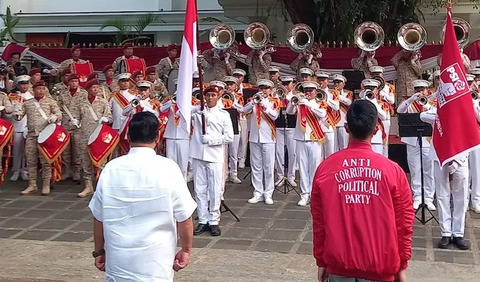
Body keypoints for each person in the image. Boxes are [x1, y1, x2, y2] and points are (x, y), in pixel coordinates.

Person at [311, 100, 414, 282]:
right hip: (380, 265)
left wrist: (321, 260)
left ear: (346, 127)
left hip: (339, 265)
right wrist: (402, 264)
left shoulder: (326, 168)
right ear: (376, 130)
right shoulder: (393, 171)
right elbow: (404, 223)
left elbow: (319, 223)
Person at [89, 112, 197, 282]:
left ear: (128, 136)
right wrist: (186, 249)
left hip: (119, 260)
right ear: (158, 136)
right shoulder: (168, 168)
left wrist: (99, 251)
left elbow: (98, 217)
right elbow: (185, 218)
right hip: (156, 262)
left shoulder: (111, 168)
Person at [420, 106, 470, 250]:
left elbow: (468, 138)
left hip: (461, 159)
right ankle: (446, 232)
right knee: (442, 196)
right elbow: (422, 116)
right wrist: (442, 112)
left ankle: (458, 233)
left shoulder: (465, 112)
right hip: (439, 158)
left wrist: (457, 160)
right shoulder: (438, 114)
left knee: (461, 197)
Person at [190, 86, 233, 236]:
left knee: (214, 189)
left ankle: (214, 220)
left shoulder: (223, 115)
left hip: (214, 155)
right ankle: (202, 219)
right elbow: (180, 111)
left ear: (218, 96)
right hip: (198, 154)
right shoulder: (197, 112)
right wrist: (196, 108)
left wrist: (212, 140)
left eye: (213, 95)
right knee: (199, 189)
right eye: (207, 95)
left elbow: (229, 137)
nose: (209, 98)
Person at [14, 81, 62, 196]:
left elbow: (59, 114)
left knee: (46, 162)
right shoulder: (28, 103)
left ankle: (46, 185)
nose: (41, 90)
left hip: (45, 136)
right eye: (39, 88)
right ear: (34, 89)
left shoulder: (50, 102)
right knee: (31, 161)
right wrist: (16, 112)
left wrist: (55, 116)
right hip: (31, 135)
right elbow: (20, 116)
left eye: (43, 88)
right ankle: (32, 185)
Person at [397, 80, 436, 211]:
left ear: (427, 90)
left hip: (428, 140)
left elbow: (437, 114)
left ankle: (429, 198)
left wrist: (427, 104)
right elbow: (399, 110)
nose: (420, 91)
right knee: (415, 169)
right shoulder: (410, 104)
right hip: (412, 140)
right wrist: (411, 99)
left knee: (428, 170)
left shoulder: (432, 103)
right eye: (417, 89)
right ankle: (418, 196)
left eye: (422, 89)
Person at [71, 79, 112, 198]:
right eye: (93, 88)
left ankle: (101, 186)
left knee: (101, 160)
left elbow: (109, 116)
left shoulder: (103, 101)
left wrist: (106, 119)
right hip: (85, 134)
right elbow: (76, 116)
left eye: (97, 88)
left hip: (99, 134)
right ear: (88, 89)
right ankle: (88, 186)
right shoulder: (82, 103)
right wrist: (75, 121)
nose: (96, 90)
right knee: (86, 160)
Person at [286, 81, 325, 206]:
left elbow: (323, 114)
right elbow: (289, 111)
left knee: (314, 168)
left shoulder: (319, 102)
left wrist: (309, 105)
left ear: (315, 91)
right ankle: (304, 194)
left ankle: (314, 194)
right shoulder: (300, 102)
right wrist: (294, 103)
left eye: (310, 90)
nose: (308, 93)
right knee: (302, 169)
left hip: (314, 139)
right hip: (301, 138)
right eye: (306, 90)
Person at [243, 79, 280, 205]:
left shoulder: (274, 101)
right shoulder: (253, 101)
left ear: (270, 90)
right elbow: (244, 110)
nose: (263, 91)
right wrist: (254, 102)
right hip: (254, 137)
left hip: (268, 137)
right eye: (261, 88)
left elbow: (275, 116)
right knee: (256, 167)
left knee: (268, 166)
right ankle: (257, 192)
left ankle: (268, 193)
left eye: (266, 88)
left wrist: (264, 104)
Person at [58, 74, 88, 181]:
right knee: (66, 150)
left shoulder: (84, 93)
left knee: (77, 149)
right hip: (65, 125)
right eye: (72, 81)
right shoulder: (63, 94)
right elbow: (59, 108)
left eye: (76, 81)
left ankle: (77, 171)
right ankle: (67, 171)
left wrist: (79, 120)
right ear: (68, 82)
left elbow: (86, 108)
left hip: (78, 126)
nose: (74, 83)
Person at [7, 75, 32, 182]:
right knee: (17, 150)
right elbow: (7, 114)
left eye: (26, 83)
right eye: (22, 84)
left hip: (29, 126)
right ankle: (16, 170)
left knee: (27, 151)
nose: (25, 86)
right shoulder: (12, 97)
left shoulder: (32, 97)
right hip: (17, 126)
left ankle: (25, 170)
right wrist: (12, 113)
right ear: (17, 85)